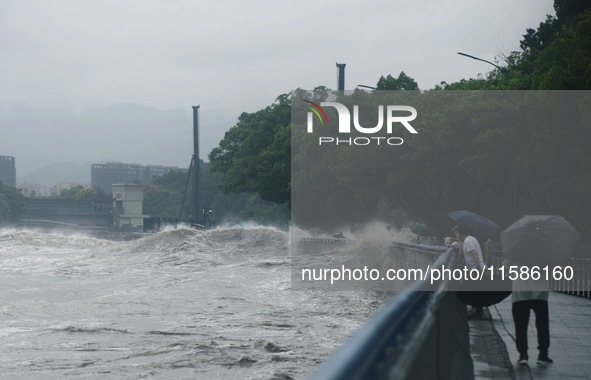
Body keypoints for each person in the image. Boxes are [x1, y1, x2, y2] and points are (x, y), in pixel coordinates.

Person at [507, 259, 553, 366]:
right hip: (540, 292)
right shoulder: (544, 251)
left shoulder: (515, 250)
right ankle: (543, 354)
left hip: (520, 292)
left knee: (521, 325)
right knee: (542, 325)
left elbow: (507, 268)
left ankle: (523, 354)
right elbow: (550, 269)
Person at [453, 224, 485, 316]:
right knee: (474, 290)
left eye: (456, 233)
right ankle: (477, 309)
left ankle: (478, 310)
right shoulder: (469, 239)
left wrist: (478, 267)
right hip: (474, 269)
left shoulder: (468, 241)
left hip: (475, 269)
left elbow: (474, 253)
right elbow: (461, 255)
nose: (455, 235)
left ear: (460, 233)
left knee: (474, 290)